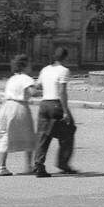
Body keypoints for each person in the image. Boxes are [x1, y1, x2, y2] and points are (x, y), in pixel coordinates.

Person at [33, 47, 76, 177]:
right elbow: (62, 92)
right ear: (65, 58)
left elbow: (38, 86)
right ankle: (63, 163)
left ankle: (39, 165)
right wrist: (65, 111)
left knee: (43, 136)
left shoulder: (45, 69)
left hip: (44, 104)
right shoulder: (64, 71)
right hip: (56, 104)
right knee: (68, 132)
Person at [0, 54, 36, 176]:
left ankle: (2, 166)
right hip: (20, 107)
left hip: (6, 107)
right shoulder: (26, 78)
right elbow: (32, 92)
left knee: (5, 135)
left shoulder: (12, 79)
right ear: (24, 66)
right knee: (28, 134)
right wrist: (41, 87)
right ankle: (28, 166)